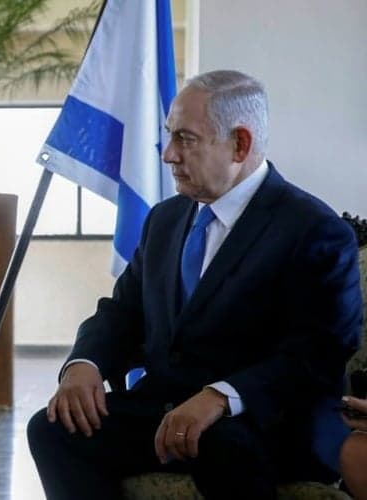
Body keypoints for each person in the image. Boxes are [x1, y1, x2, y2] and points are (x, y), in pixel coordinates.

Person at [27, 69, 362, 500]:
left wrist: (221, 398)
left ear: (239, 143)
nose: (168, 155)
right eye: (168, 136)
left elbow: (318, 352)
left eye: (185, 139)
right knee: (54, 428)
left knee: (222, 444)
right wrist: (84, 365)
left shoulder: (314, 229)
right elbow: (123, 311)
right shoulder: (164, 219)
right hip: (163, 409)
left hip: (262, 421)